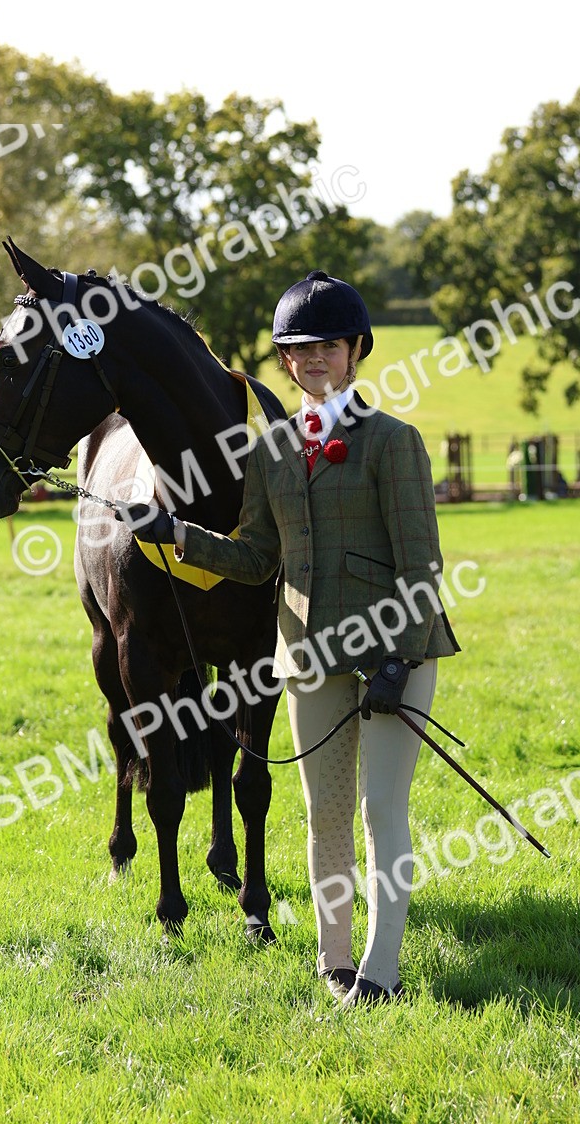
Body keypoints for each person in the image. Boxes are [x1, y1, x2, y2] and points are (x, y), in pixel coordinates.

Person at [117, 270, 459, 1007]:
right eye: (300, 349)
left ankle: (381, 971)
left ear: (356, 351)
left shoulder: (394, 443)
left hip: (396, 656)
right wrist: (176, 535)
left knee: (381, 813)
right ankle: (332, 963)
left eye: (329, 346)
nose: (315, 359)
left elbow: (421, 565)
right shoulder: (269, 451)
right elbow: (256, 557)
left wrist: (398, 659)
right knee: (325, 814)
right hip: (308, 657)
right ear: (283, 361)